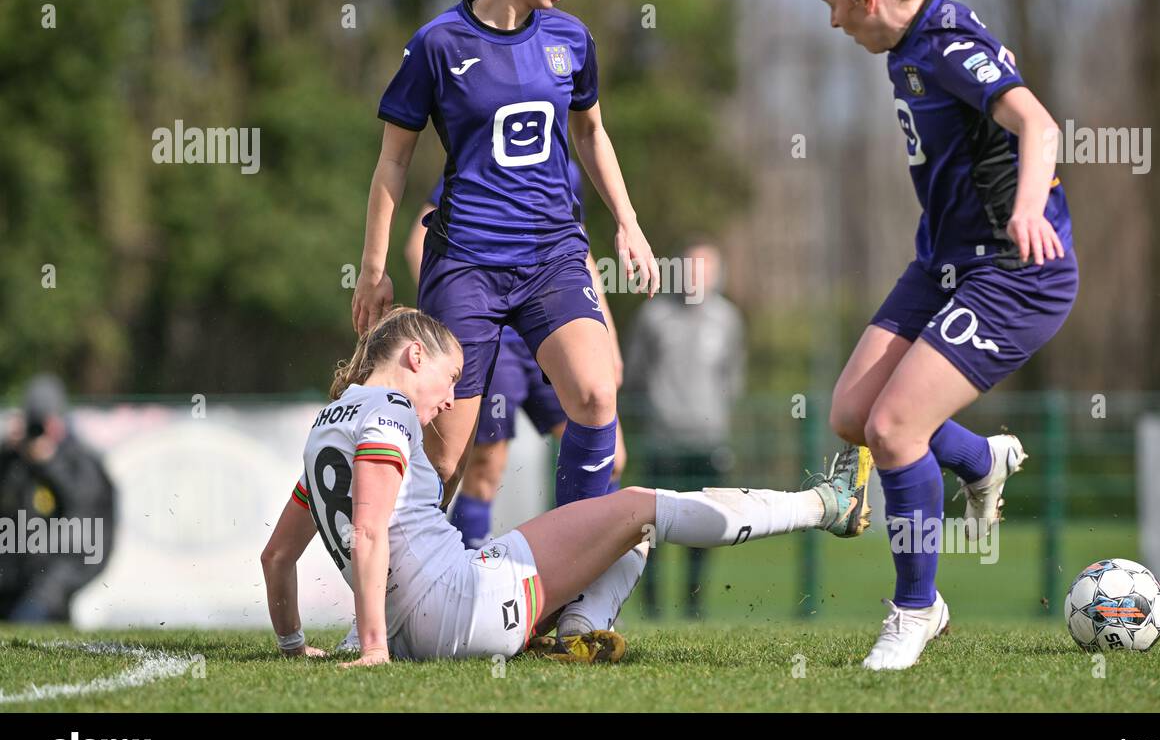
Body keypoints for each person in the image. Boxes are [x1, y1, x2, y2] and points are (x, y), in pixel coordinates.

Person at [350, 0, 655, 636]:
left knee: (595, 395)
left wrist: (625, 220)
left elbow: (593, 135)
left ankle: (576, 599)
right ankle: (385, 614)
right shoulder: (439, 45)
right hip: (469, 265)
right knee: (447, 459)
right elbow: (392, 161)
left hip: (554, 252)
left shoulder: (571, 41)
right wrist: (375, 270)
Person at [260, 307, 869, 665]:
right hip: (458, 605)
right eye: (448, 379)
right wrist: (374, 652)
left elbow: (277, 556)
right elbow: (369, 531)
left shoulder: (326, 425)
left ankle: (578, 629)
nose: (448, 400)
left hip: (418, 623)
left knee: (621, 537)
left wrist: (292, 645)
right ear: (414, 356)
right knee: (637, 509)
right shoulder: (390, 409)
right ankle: (824, 504)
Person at [807, 0, 1078, 670]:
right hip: (943, 262)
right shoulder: (906, 48)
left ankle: (915, 610)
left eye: (834, 6)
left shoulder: (948, 41)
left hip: (1016, 273)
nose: (833, 24)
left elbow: (1041, 125)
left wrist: (1030, 207)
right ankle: (980, 460)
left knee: (895, 430)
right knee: (854, 412)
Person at [402, 175, 628, 552]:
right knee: (484, 464)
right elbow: (417, 244)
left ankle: (582, 582)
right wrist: (457, 319)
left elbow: (581, 258)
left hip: (550, 332)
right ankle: (461, 579)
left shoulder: (565, 169)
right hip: (497, 338)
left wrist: (610, 340)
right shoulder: (479, 158)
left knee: (612, 456)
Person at [624, 239, 743, 619]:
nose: (697, 278)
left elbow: (733, 379)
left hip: (708, 441)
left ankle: (694, 607)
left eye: (706, 269)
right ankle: (653, 608)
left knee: (703, 527)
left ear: (718, 275)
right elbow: (635, 373)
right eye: (692, 268)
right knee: (652, 528)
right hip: (662, 439)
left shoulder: (728, 319)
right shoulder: (654, 316)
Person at [0, 375, 116, 622]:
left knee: (32, 615)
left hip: (57, 574)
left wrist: (50, 464)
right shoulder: (14, 457)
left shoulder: (79, 459)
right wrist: (6, 450)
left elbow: (82, 508)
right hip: (16, 575)